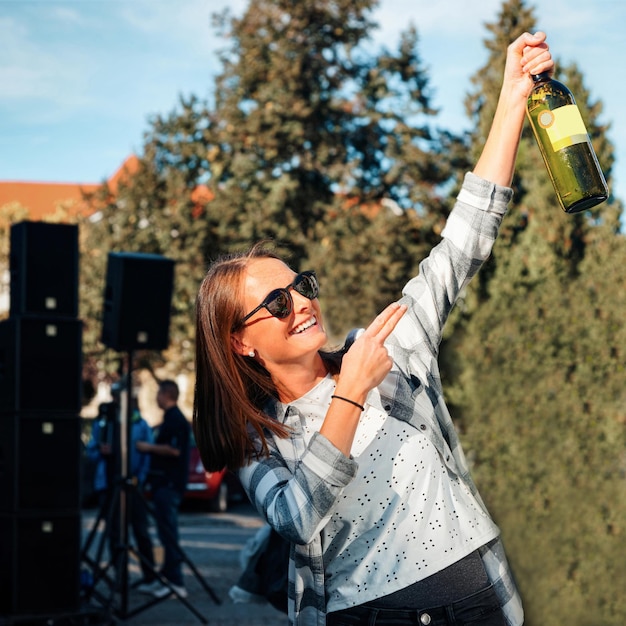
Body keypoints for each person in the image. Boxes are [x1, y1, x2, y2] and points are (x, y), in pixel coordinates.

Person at [192, 32, 554, 626]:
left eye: (301, 286)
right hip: (374, 615)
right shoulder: (258, 440)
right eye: (277, 302)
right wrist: (350, 393)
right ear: (241, 341)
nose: (302, 305)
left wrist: (512, 100)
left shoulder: (385, 350)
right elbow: (296, 518)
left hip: (483, 594)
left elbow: (461, 244)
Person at [86, 386, 156, 588]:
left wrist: (139, 479)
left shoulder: (140, 423)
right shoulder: (103, 423)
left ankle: (150, 577)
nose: (119, 400)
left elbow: (146, 455)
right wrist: (100, 450)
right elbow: (91, 452)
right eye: (116, 396)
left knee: (141, 531)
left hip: (133, 486)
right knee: (114, 534)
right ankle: (120, 578)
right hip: (108, 485)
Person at [136, 379, 191, 599]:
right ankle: (168, 579)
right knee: (164, 533)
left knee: (168, 534)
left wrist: (147, 447)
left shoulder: (176, 419)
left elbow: (175, 451)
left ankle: (176, 583)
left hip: (169, 485)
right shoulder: (170, 419)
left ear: (167, 394)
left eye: (158, 393)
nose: (156, 397)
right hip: (163, 485)